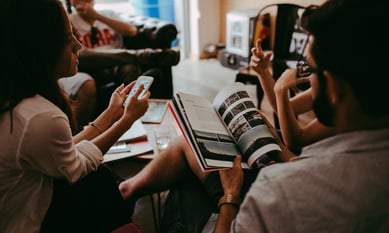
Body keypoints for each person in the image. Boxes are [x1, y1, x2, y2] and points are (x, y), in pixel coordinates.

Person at [119, 0, 389, 232]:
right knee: (198, 154)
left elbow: (294, 143)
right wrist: (267, 78)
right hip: (286, 167)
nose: (305, 73)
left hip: (263, 185)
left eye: (311, 67)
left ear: (334, 87)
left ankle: (128, 194)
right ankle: (129, 191)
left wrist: (231, 195)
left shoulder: (278, 191)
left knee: (191, 170)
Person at [0, 0, 150, 232]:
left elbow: (66, 149)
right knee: (99, 180)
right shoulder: (39, 117)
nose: (79, 45)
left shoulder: (17, 97)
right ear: (40, 47)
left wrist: (110, 114)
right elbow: (75, 168)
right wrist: (126, 121)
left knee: (101, 179)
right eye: (69, 38)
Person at [250, 38, 336, 153]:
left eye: (309, 65)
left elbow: (296, 141)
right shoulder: (330, 82)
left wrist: (281, 88)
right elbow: (282, 107)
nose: (304, 51)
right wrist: (263, 72)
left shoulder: (347, 106)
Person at [66, 0, 180, 86]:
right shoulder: (69, 21)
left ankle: (130, 112)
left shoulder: (107, 13)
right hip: (96, 66)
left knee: (130, 68)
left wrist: (96, 16)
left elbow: (132, 31)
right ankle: (144, 56)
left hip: (119, 62)